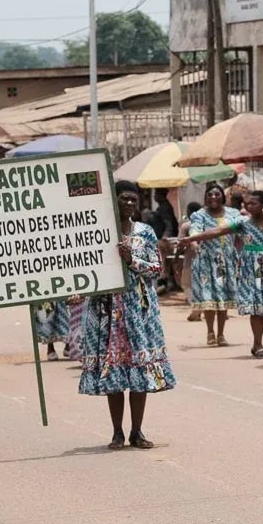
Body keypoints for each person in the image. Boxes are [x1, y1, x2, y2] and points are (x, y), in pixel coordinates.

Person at [79, 180, 176, 449]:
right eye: (124, 198)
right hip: (106, 309)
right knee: (113, 370)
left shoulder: (145, 232)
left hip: (139, 310)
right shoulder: (99, 231)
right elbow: (86, 267)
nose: (130, 203)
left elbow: (157, 269)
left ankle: (137, 431)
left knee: (139, 370)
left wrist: (132, 259)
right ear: (114, 200)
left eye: (134, 199)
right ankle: (117, 432)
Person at [180, 191, 263, 358]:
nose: (248, 206)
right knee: (256, 307)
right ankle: (258, 343)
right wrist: (192, 239)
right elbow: (218, 231)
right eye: (248, 203)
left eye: (253, 203)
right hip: (251, 269)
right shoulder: (242, 222)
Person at [188, 185, 241, 346]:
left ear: (222, 197)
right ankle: (210, 331)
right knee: (208, 297)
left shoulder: (233, 213)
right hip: (206, 261)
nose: (213, 197)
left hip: (227, 261)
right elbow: (194, 232)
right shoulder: (199, 215)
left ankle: (221, 334)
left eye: (217, 194)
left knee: (223, 297)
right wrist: (194, 244)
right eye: (209, 194)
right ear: (205, 197)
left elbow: (241, 234)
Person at [177, 202, 202, 322]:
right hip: (206, 259)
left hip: (190, 260)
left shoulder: (186, 226)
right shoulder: (206, 224)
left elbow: (180, 243)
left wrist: (176, 257)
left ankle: (196, 308)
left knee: (186, 284)